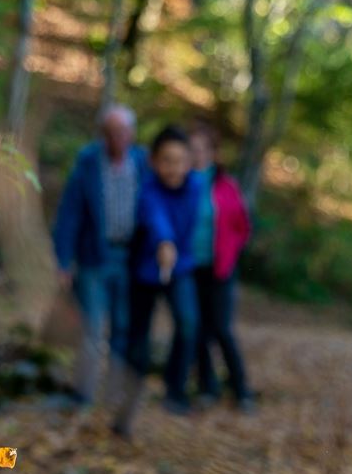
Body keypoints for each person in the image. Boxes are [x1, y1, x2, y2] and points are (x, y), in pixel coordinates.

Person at [52, 104, 148, 405]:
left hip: (130, 260)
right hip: (95, 257)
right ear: (102, 134)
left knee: (122, 327)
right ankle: (84, 393)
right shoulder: (88, 163)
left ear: (132, 134)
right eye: (110, 132)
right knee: (92, 328)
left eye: (122, 131)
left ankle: (115, 393)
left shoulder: (143, 164)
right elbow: (69, 214)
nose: (116, 138)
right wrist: (62, 261)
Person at [113, 125, 201, 436]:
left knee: (188, 323)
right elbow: (154, 216)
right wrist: (164, 242)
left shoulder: (195, 187)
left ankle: (175, 391)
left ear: (189, 161)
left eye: (179, 160)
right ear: (154, 161)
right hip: (146, 270)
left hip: (180, 269)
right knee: (139, 335)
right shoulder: (148, 188)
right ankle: (129, 397)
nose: (173, 167)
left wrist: (174, 249)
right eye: (166, 160)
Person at [189, 123, 253, 410]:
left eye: (202, 150)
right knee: (198, 330)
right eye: (192, 150)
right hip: (190, 268)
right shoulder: (181, 181)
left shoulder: (226, 186)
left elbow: (242, 227)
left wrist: (229, 251)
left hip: (220, 268)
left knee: (222, 328)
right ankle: (207, 387)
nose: (197, 155)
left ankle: (241, 389)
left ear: (214, 153)